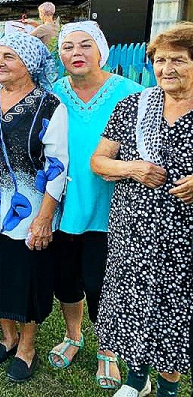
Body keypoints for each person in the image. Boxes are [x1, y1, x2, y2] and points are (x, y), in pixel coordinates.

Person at [91, 22, 193, 397]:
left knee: (175, 307)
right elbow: (99, 162)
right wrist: (132, 167)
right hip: (134, 231)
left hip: (184, 237)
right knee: (132, 302)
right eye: (160, 60)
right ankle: (137, 378)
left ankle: (169, 384)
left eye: (178, 60)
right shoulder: (135, 106)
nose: (167, 69)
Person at [47, 22, 143, 389]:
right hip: (64, 206)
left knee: (104, 284)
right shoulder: (55, 93)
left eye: (85, 45)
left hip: (112, 207)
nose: (76, 53)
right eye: (68, 47)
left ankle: (109, 351)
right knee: (66, 280)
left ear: (101, 50)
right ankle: (74, 336)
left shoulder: (131, 94)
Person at [0, 31, 68, 382]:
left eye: (8, 57)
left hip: (31, 212)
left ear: (27, 64)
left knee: (27, 279)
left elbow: (57, 166)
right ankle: (8, 337)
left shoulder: (49, 104)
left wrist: (44, 218)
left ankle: (27, 347)